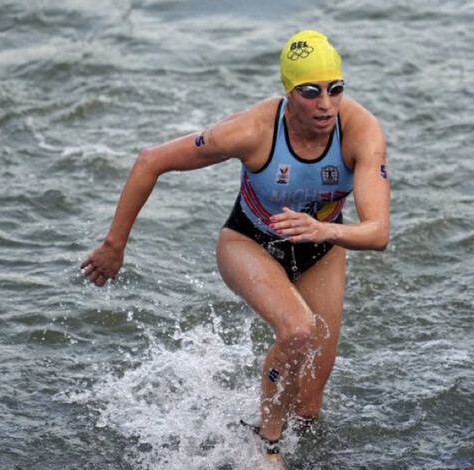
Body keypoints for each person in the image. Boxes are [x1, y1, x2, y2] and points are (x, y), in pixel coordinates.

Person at [81, 30, 390, 457]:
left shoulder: (361, 132)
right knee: (298, 331)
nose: (325, 105)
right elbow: (151, 161)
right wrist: (114, 245)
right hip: (249, 242)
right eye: (310, 91)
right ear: (288, 91)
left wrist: (326, 231)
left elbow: (378, 233)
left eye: (335, 89)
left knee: (309, 407)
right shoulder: (252, 131)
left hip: (322, 250)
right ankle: (267, 447)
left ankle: (284, 436)